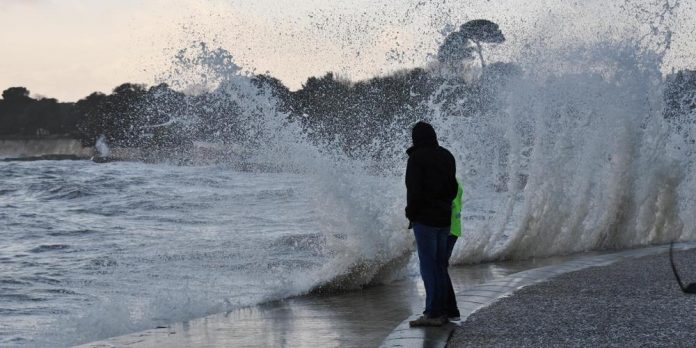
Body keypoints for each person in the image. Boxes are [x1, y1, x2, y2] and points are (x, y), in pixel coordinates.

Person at [405, 121, 458, 327]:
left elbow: (413, 191)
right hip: (444, 219)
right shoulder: (447, 155)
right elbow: (453, 188)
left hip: (425, 220)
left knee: (428, 266)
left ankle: (433, 313)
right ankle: (446, 310)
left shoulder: (416, 158)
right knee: (438, 266)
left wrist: (411, 214)